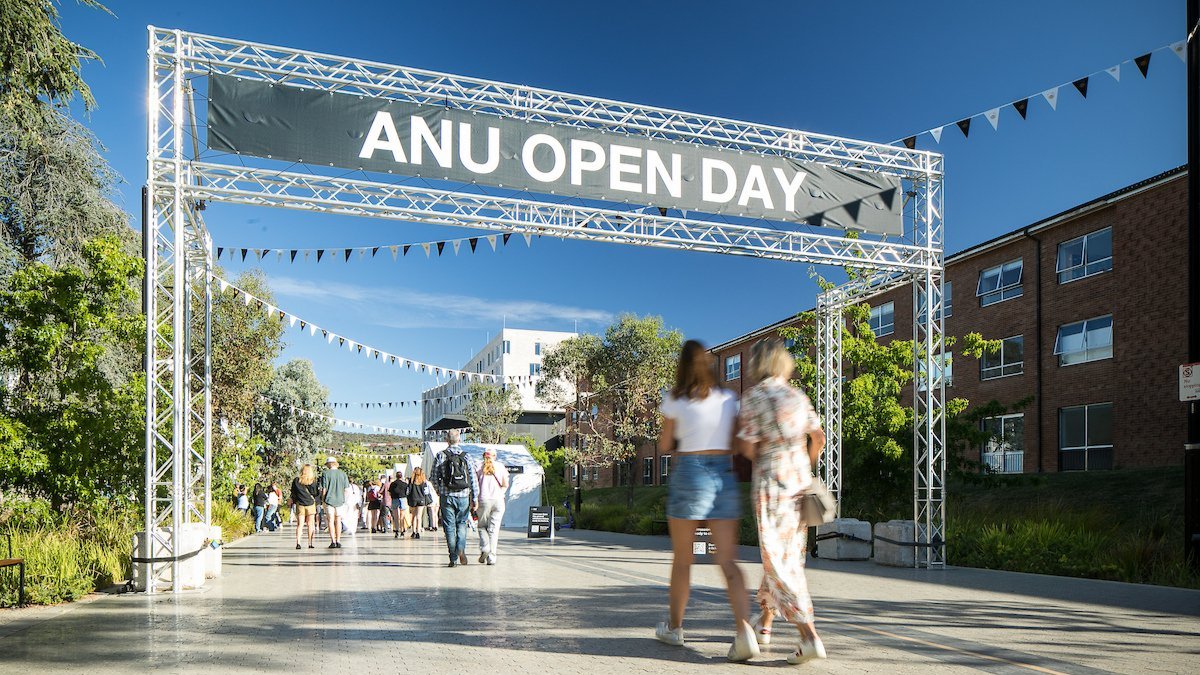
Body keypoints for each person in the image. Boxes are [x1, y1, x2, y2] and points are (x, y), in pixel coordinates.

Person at [654, 339, 759, 662]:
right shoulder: (729, 398)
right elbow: (739, 442)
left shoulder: (675, 399)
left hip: (690, 471)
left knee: (683, 560)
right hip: (723, 474)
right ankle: (744, 631)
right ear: (711, 366)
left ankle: (675, 627)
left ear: (682, 367)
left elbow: (664, 444)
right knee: (727, 560)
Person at [736, 338, 828, 664]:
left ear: (757, 364)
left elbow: (746, 447)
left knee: (777, 560)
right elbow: (818, 437)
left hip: (771, 487)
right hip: (799, 486)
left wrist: (765, 452)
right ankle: (764, 625)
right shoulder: (798, 396)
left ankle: (809, 635)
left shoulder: (754, 397)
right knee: (785, 556)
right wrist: (806, 463)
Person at [431, 429, 477, 567]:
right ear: (459, 439)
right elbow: (473, 478)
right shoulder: (467, 456)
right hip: (463, 495)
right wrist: (475, 497)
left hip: (447, 496)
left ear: (447, 440)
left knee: (449, 527)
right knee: (462, 524)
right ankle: (460, 548)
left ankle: (453, 557)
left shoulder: (441, 455)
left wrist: (439, 490)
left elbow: (433, 477)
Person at [475, 449, 509, 565]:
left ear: (483, 456)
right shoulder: (501, 466)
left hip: (483, 500)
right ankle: (492, 557)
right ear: (495, 456)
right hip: (498, 500)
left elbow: (474, 486)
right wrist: (501, 493)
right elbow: (505, 484)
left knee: (481, 526)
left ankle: (485, 547)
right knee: (494, 530)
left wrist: (473, 501)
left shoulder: (478, 466)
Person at [319, 456, 350, 548]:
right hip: (340, 500)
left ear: (328, 464)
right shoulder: (343, 474)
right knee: (338, 520)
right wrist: (343, 499)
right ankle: (338, 540)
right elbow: (346, 489)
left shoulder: (325, 474)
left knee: (331, 521)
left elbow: (324, 489)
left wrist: (323, 500)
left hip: (329, 500)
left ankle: (333, 541)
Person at [291, 464, 320, 549]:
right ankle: (310, 543)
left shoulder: (296, 481)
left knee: (300, 524)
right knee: (310, 524)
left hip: (300, 504)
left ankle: (298, 543)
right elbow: (316, 493)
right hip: (310, 504)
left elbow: (293, 493)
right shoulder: (312, 482)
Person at [406, 467, 430, 539]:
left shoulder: (411, 481)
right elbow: (426, 492)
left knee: (414, 516)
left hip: (413, 499)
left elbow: (408, 491)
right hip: (421, 499)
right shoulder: (423, 481)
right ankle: (418, 532)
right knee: (419, 516)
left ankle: (413, 531)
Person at [389, 469, 410, 539]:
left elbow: (390, 492)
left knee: (396, 516)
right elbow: (407, 492)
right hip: (403, 499)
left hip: (395, 499)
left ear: (396, 476)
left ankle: (397, 530)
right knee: (402, 516)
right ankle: (402, 530)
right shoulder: (405, 484)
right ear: (402, 476)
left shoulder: (392, 484)